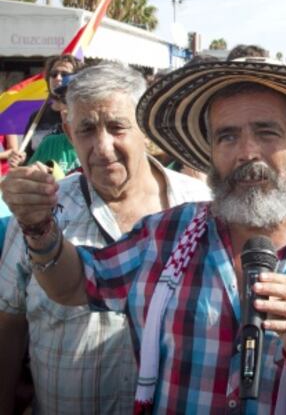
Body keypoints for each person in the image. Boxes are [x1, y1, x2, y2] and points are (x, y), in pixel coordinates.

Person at [5, 60, 286, 414]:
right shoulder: (166, 235)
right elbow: (76, 283)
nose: (246, 152)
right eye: (227, 136)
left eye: (267, 132)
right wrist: (40, 229)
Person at [0, 62, 211, 414]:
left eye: (117, 127)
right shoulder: (38, 213)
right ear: (68, 133)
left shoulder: (200, 208)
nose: (102, 147)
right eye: (86, 130)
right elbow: (9, 322)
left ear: (146, 129)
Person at [8, 54, 82, 168]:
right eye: (53, 74)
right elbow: (29, 157)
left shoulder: (82, 114)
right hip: (42, 182)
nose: (58, 78)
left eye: (65, 74)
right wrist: (20, 161)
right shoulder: (37, 117)